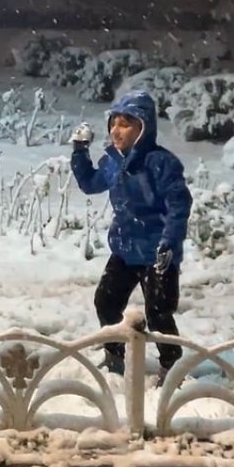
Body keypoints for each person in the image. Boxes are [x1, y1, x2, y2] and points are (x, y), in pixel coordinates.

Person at [69, 91, 192, 386]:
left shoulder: (160, 163)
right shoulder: (113, 162)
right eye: (114, 123)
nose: (116, 130)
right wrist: (79, 151)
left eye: (126, 124)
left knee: (159, 313)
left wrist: (169, 244)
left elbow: (179, 205)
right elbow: (89, 184)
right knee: (106, 302)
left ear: (143, 128)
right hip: (125, 250)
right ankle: (114, 358)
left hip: (157, 252)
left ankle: (172, 367)